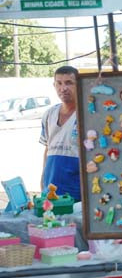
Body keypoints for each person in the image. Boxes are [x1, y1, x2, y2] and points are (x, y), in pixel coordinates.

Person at [40, 66, 81, 201]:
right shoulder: (49, 114)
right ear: (54, 85)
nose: (63, 88)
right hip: (50, 192)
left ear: (79, 84)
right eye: (59, 83)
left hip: (77, 194)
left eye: (69, 83)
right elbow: (48, 148)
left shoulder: (87, 115)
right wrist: (42, 182)